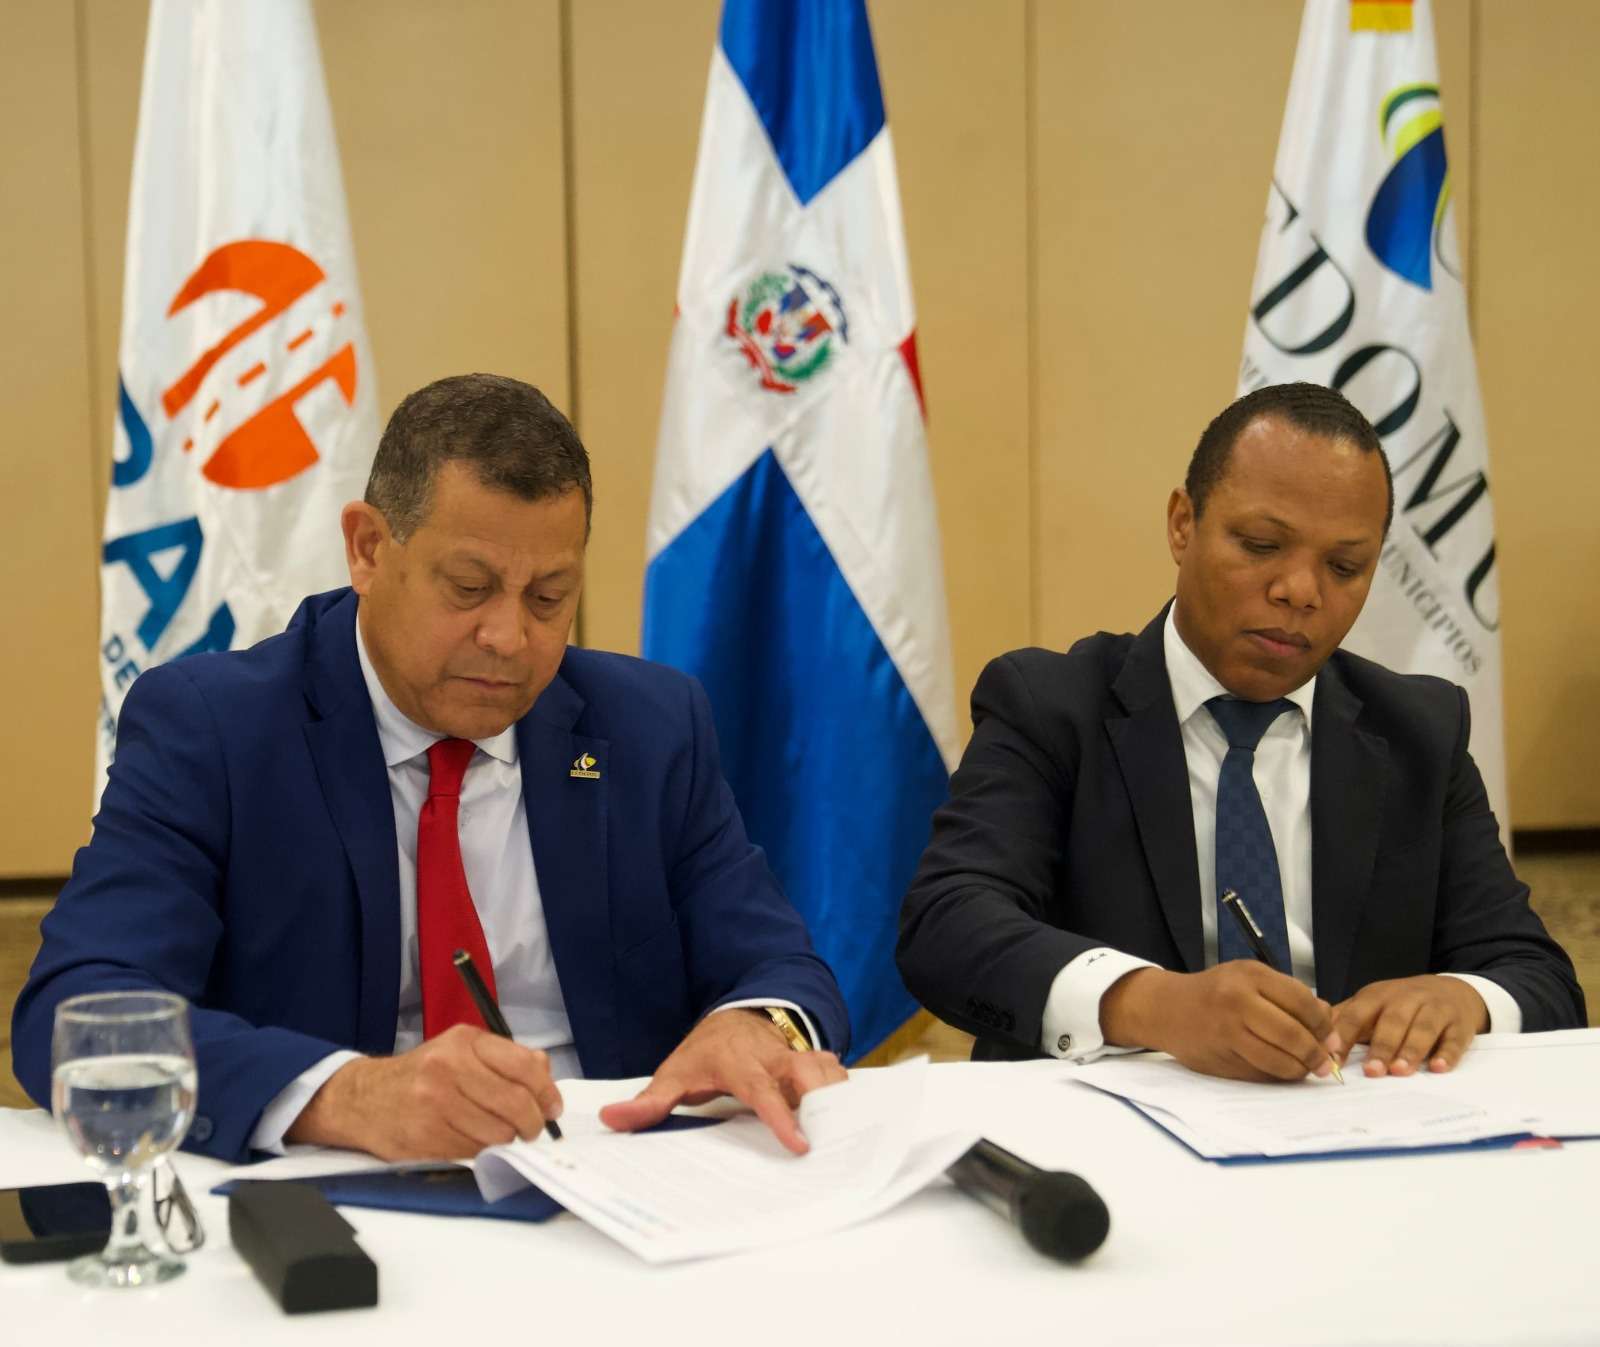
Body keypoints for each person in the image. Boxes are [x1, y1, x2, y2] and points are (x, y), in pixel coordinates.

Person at [14, 373, 849, 1164]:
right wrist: (343, 1095)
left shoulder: (649, 727)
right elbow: (76, 1011)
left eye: (548, 596)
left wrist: (758, 1025)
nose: (509, 637)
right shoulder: (216, 730)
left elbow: (779, 968)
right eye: (469, 587)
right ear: (368, 549)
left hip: (608, 1191)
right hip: (330, 1193)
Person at [898, 382, 1584, 1083]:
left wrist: (1463, 997)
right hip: (1110, 1122)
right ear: (1182, 524)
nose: (1300, 590)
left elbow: (1538, 976)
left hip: (1352, 1123)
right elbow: (947, 926)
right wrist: (1150, 1003)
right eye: (1262, 545)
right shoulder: (1050, 705)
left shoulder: (1420, 731)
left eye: (1344, 567)